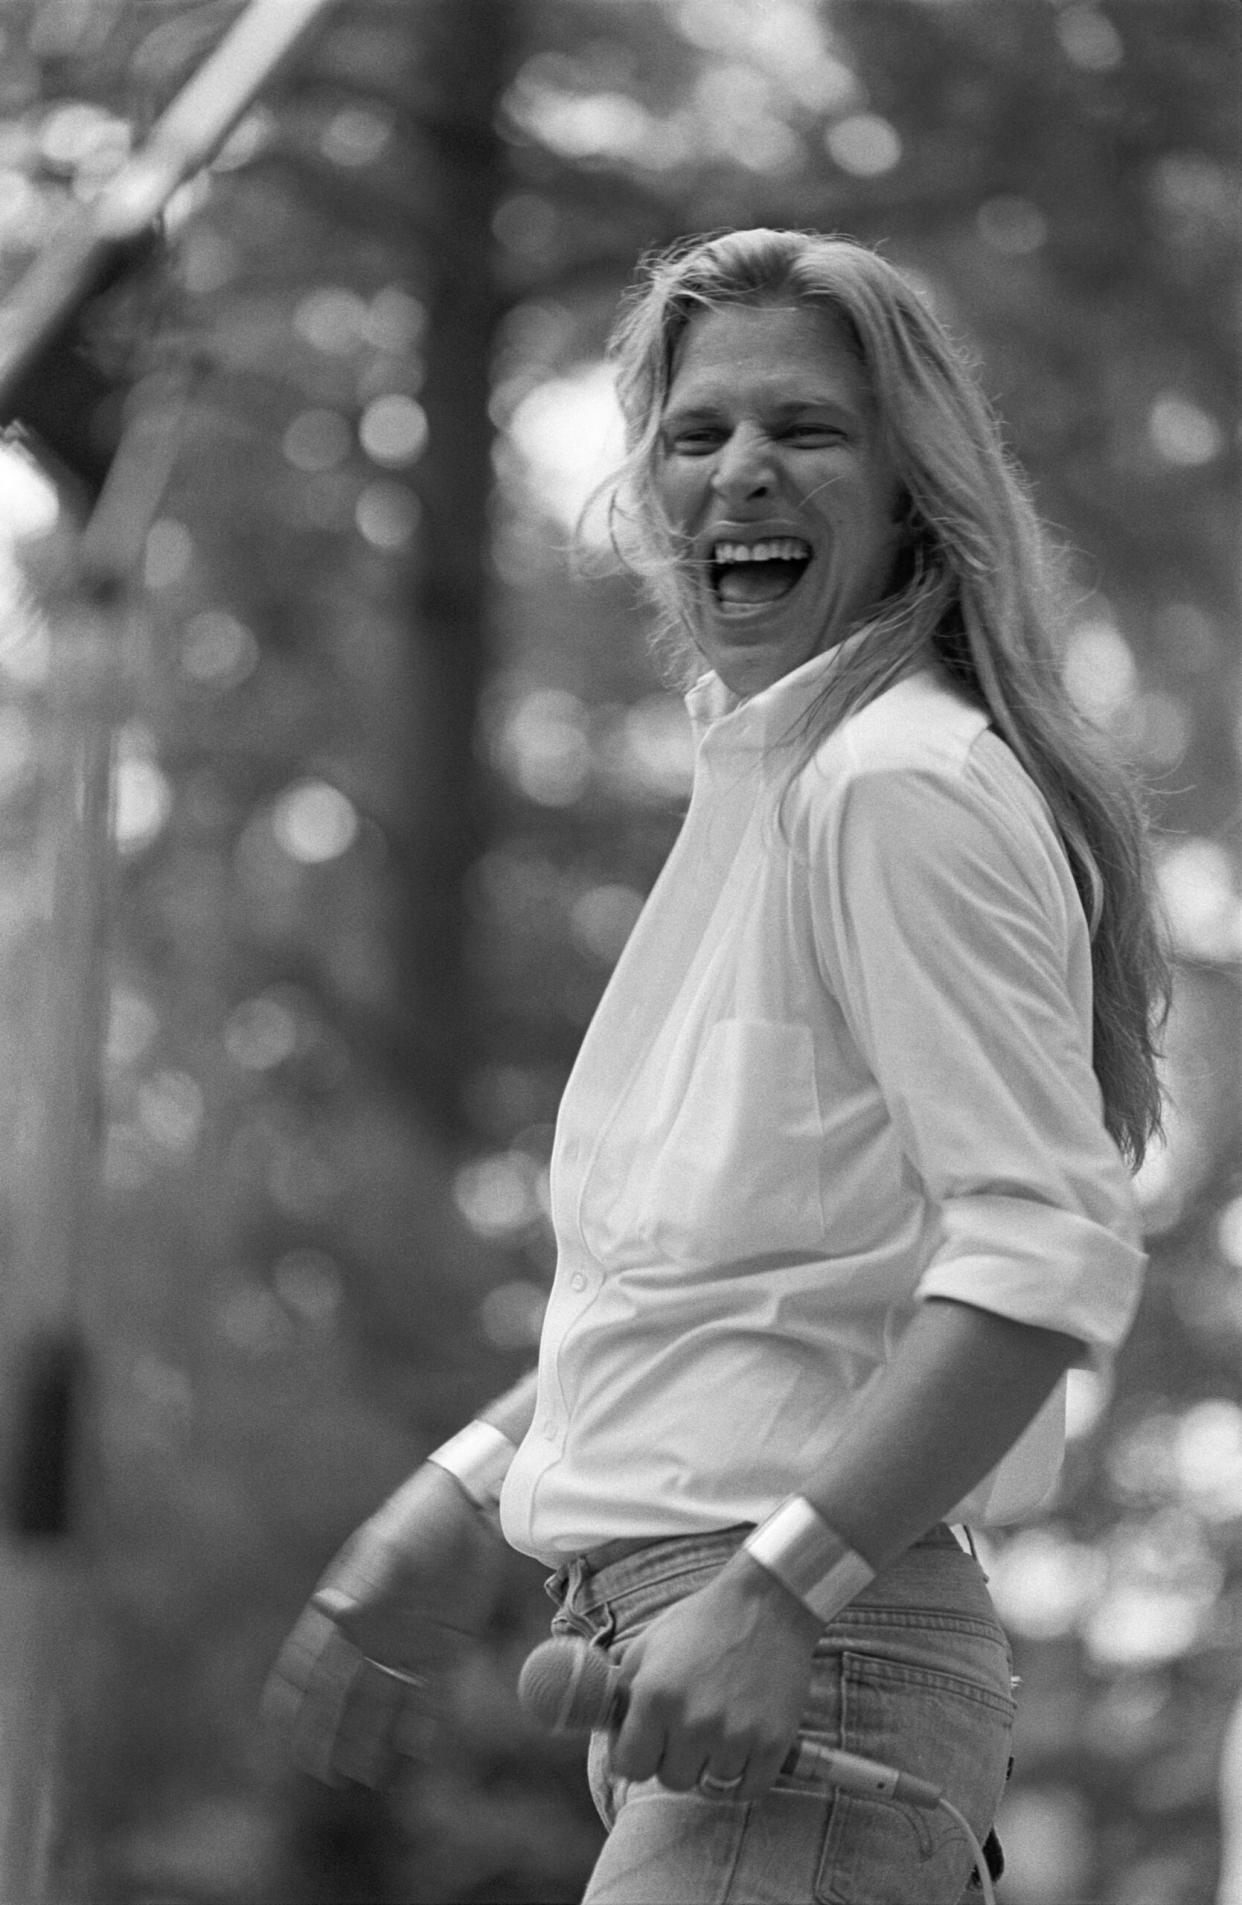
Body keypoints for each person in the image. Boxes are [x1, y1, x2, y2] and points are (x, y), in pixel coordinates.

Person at [266, 228, 1168, 1902]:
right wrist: (472, 1487)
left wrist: (772, 1589)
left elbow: (1044, 1252)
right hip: (725, 1665)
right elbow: (745, 1288)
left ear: (910, 488)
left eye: (807, 430)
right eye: (697, 434)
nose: (741, 470)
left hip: (806, 1657)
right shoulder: (781, 791)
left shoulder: (891, 785)